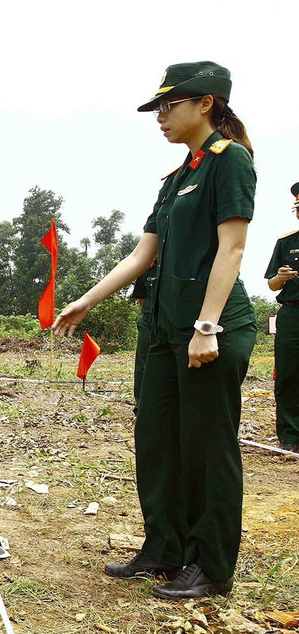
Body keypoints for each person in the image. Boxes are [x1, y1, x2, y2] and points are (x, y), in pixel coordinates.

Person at [53, 62, 257, 599]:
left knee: (207, 447)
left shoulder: (228, 161)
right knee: (159, 441)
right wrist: (86, 301)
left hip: (210, 327)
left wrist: (207, 325)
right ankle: (164, 548)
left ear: (205, 103)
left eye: (169, 106)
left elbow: (232, 248)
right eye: (158, 108)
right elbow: (146, 253)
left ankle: (210, 566)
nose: (160, 117)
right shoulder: (178, 177)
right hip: (164, 330)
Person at [264, 183, 299, 453]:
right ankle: (290, 436)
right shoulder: (286, 242)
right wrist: (281, 278)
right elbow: (272, 284)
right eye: (297, 208)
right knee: (288, 373)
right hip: (292, 313)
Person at [129, 260, 157, 415]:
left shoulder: (175, 265)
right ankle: (141, 406)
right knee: (143, 364)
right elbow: (142, 300)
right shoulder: (145, 268)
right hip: (148, 322)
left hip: (171, 321)